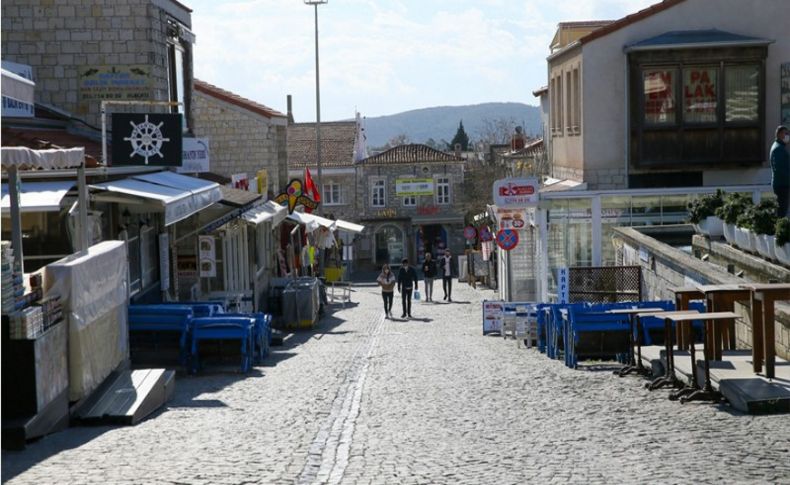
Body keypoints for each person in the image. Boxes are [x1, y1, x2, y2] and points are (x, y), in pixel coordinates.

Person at [771, 125, 790, 217]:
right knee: (782, 211)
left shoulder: (779, 147)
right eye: (785, 133)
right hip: (782, 185)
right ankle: (779, 230)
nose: (788, 136)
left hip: (781, 184)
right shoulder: (778, 148)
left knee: (781, 210)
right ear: (779, 134)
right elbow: (779, 168)